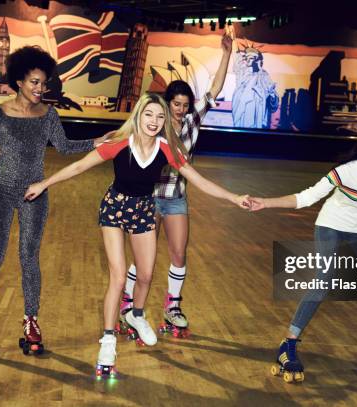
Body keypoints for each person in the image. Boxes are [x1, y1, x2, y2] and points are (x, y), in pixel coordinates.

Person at [23, 92, 249, 377]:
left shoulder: (168, 149)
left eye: (159, 116)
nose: (154, 121)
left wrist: (233, 197)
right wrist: (44, 183)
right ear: (139, 115)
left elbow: (200, 181)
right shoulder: (120, 142)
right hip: (114, 209)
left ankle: (136, 315)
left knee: (145, 275)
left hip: (144, 210)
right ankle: (107, 341)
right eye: (149, 115)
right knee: (118, 277)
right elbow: (80, 165)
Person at [0, 46, 107, 361]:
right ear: (20, 82)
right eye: (35, 82)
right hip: (0, 191)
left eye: (43, 83)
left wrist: (95, 141)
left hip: (34, 193)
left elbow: (64, 147)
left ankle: (31, 321)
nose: (41, 88)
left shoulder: (49, 115)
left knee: (29, 258)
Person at [248, 126, 357, 383]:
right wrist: (265, 202)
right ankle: (288, 343)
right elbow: (306, 197)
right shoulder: (346, 172)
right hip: (330, 225)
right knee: (324, 280)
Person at [123, 31, 233, 338]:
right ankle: (128, 304)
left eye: (185, 104)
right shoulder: (153, 123)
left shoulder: (192, 122)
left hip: (175, 197)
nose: (181, 109)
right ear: (167, 102)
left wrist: (226, 54)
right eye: (176, 103)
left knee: (179, 253)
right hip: (148, 197)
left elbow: (214, 89)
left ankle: (172, 306)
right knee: (143, 258)